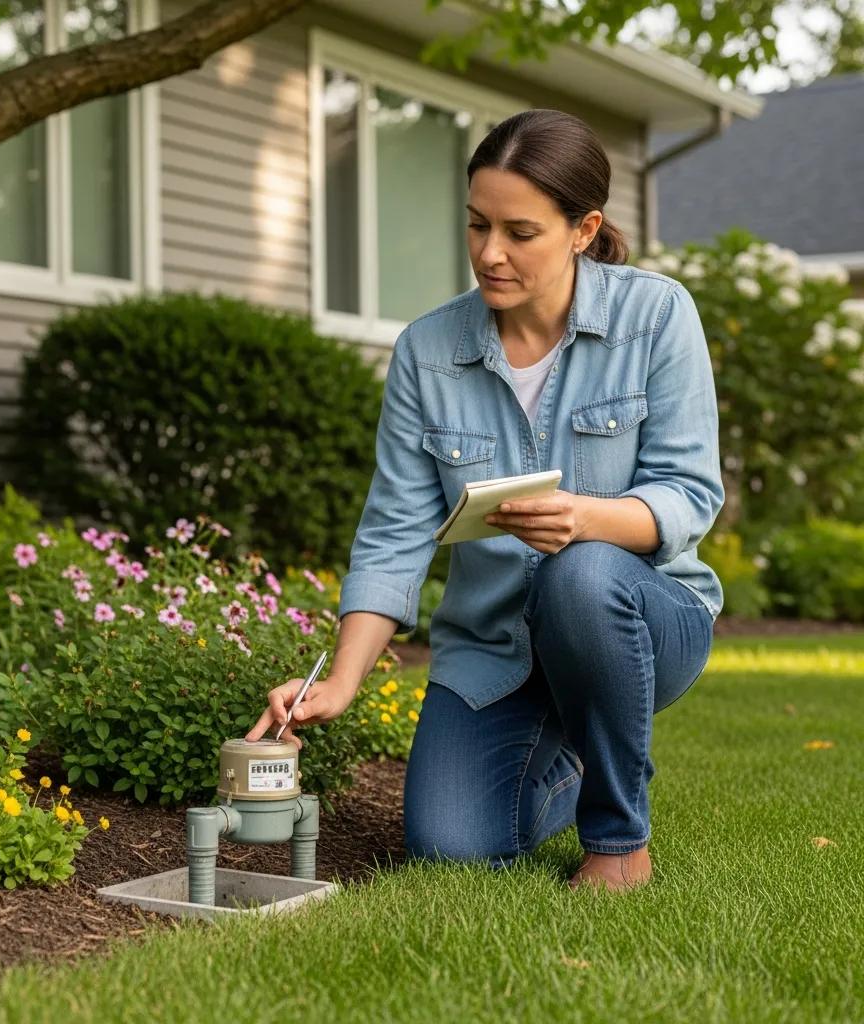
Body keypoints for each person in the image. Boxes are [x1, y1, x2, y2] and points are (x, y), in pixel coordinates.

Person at [246, 108, 724, 891]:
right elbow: (395, 530)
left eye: (519, 232)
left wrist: (584, 520)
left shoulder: (657, 315)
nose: (489, 253)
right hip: (495, 648)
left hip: (643, 616)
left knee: (583, 573)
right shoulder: (428, 352)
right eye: (476, 225)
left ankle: (617, 839)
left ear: (583, 228)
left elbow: (690, 494)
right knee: (450, 848)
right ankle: (596, 737)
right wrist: (340, 681)